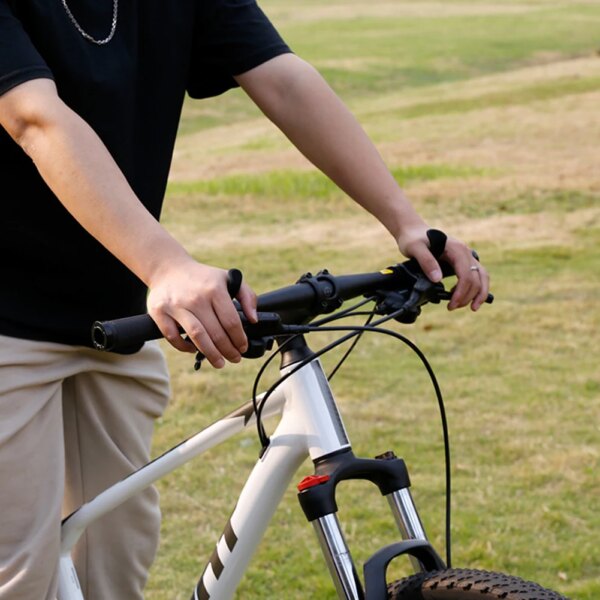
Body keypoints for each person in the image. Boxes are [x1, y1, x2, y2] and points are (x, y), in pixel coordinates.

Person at [0, 1, 489, 598]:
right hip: (8, 326)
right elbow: (34, 117)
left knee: (118, 563)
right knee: (21, 573)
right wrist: (167, 265)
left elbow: (283, 80)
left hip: (113, 318)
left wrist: (405, 223)